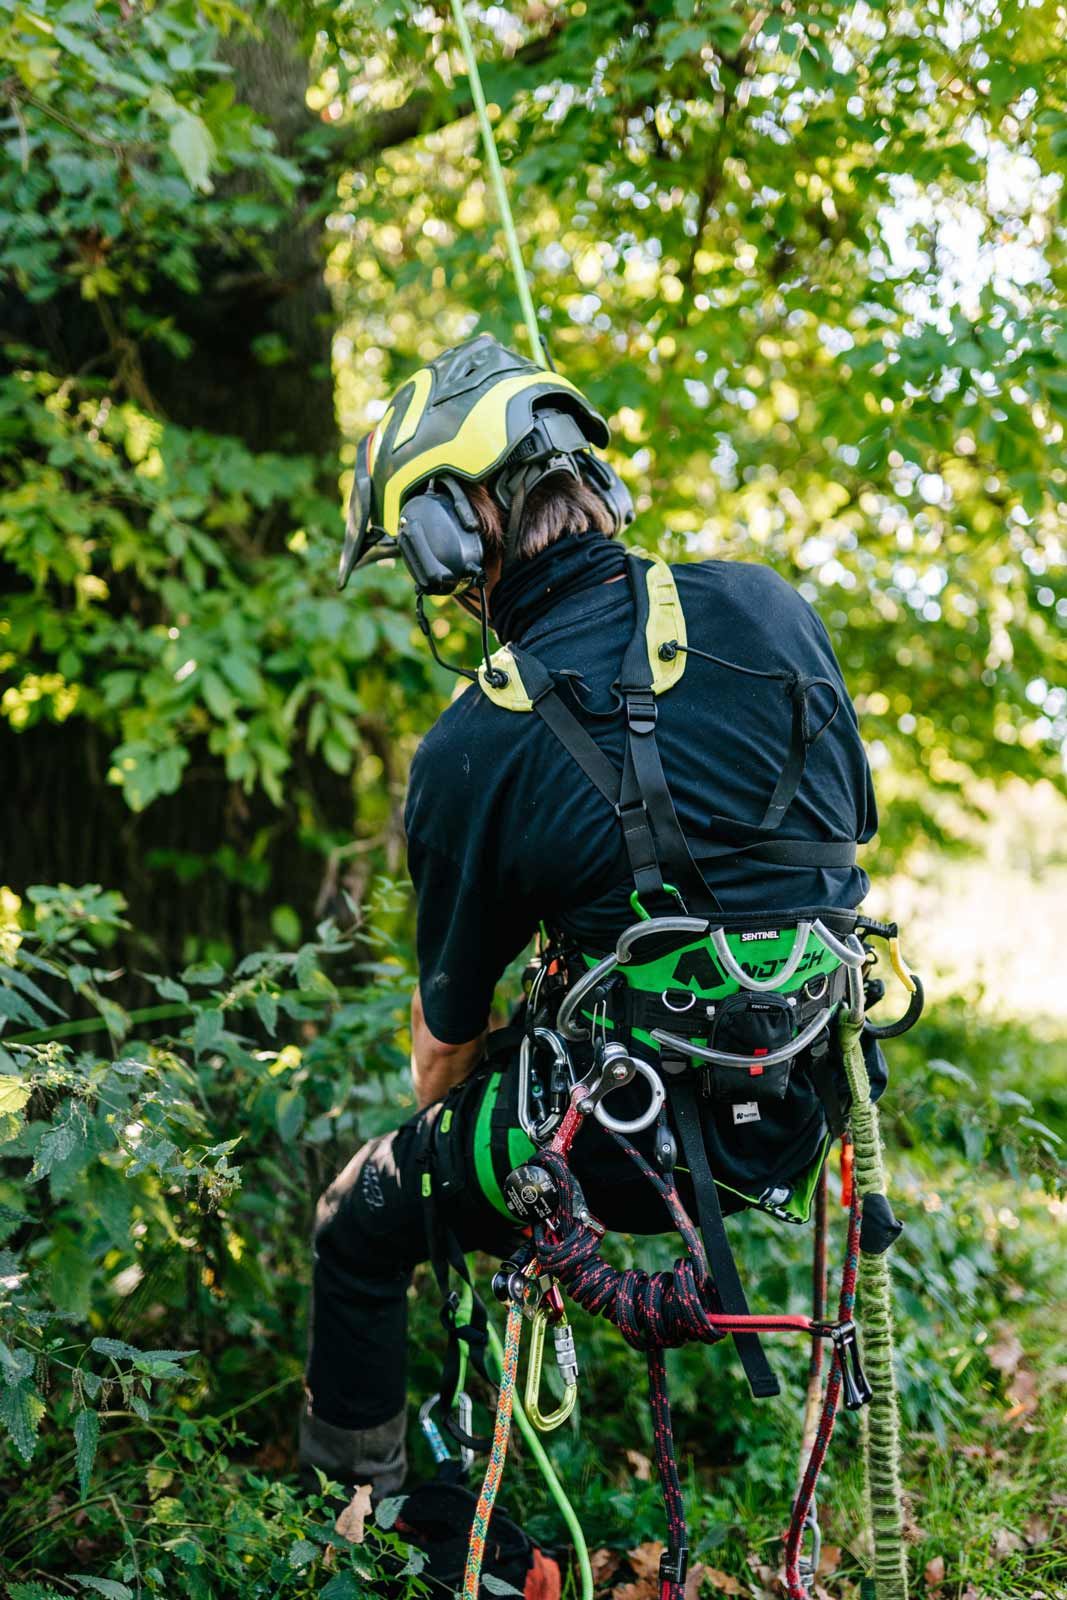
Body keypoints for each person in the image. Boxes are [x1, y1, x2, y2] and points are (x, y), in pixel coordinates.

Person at [300, 333, 885, 1502]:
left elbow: (442, 1052)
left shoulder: (476, 737)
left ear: (450, 529)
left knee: (354, 1218)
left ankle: (358, 1515)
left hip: (617, 1150)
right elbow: (841, 847)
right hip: (805, 1107)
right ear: (590, 478)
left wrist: (463, 1106)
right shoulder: (768, 607)